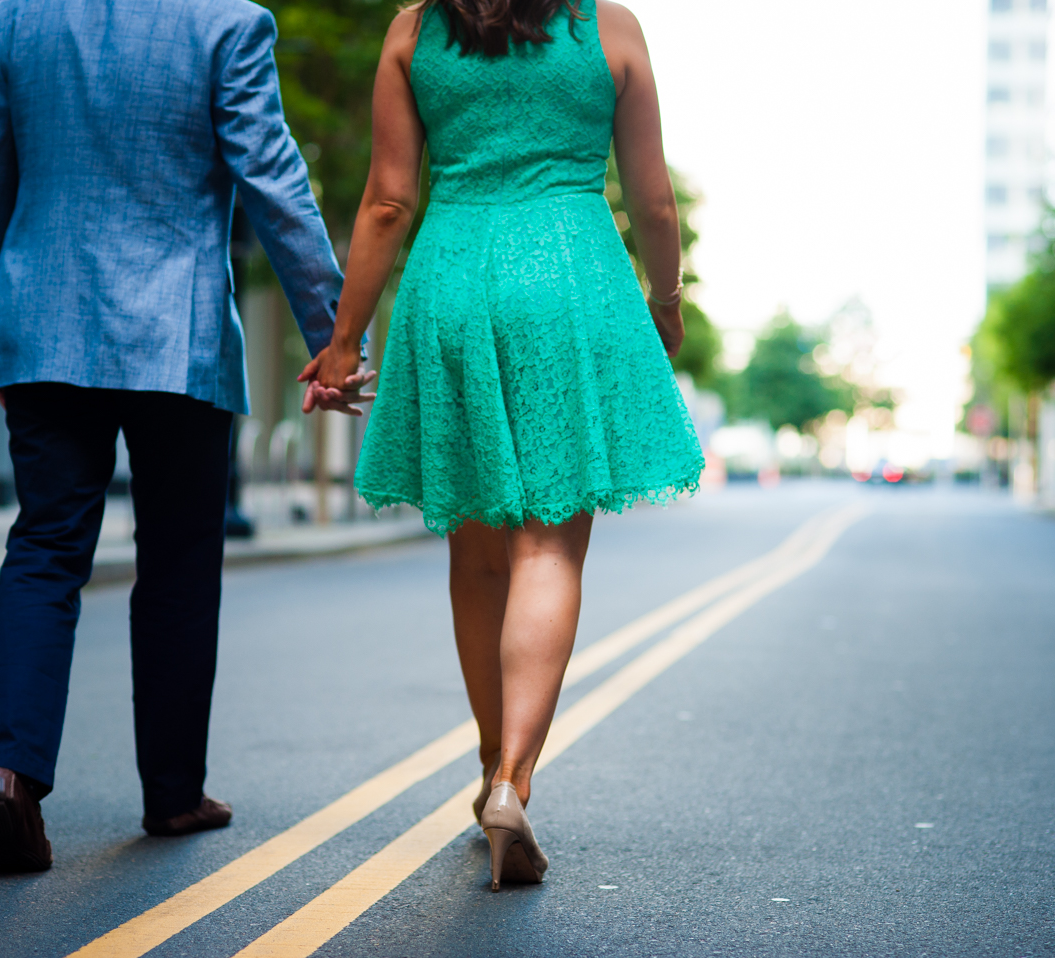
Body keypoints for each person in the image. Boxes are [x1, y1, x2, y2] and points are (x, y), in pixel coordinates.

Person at [0, 0, 371, 873]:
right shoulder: (226, 22)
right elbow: (273, 179)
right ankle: (173, 793)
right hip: (172, 339)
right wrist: (335, 336)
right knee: (180, 563)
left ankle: (7, 770)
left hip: (42, 325)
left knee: (44, 547)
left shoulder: (19, 19)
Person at [300, 0, 703, 890]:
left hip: (451, 281)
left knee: (478, 560)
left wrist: (343, 341)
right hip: (572, 278)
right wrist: (665, 301)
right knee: (549, 547)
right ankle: (513, 783)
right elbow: (655, 202)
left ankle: (489, 768)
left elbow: (387, 201)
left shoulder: (413, 33)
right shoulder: (609, 30)